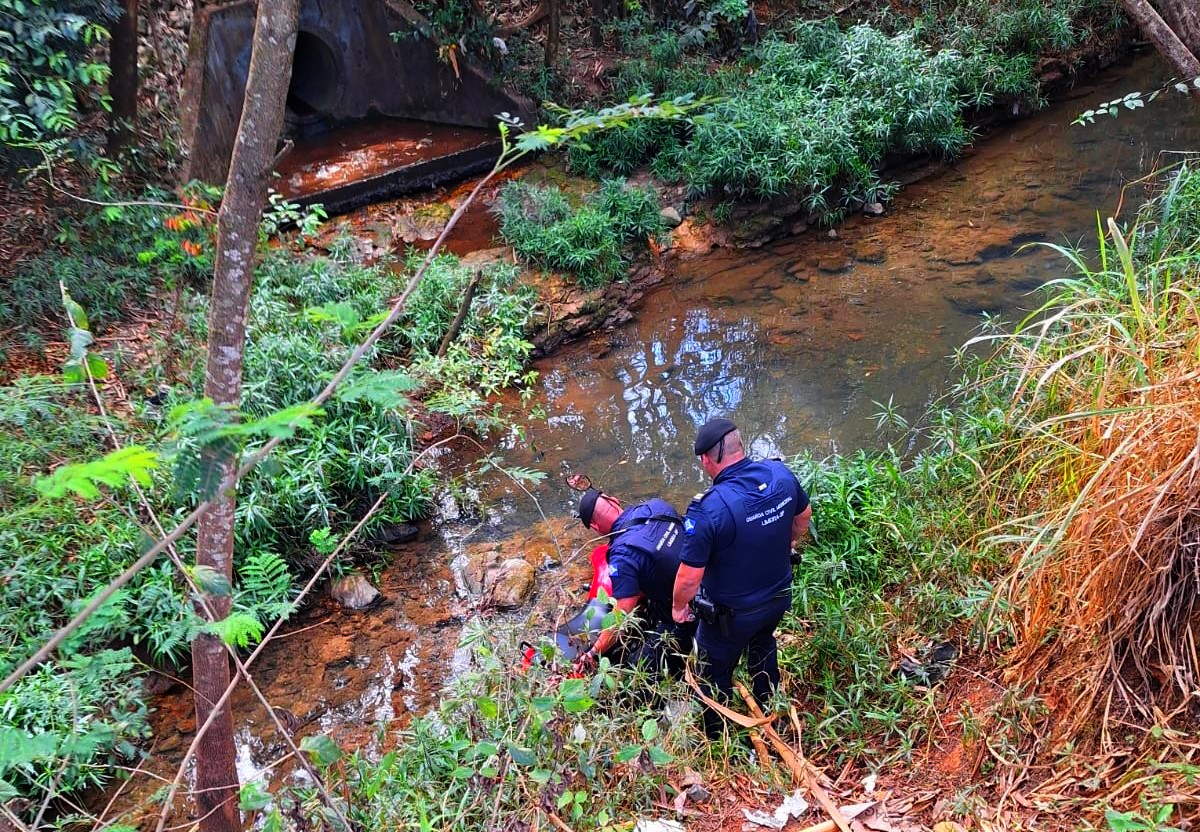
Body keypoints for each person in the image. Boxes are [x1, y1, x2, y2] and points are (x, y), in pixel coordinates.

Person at [671, 417, 811, 738]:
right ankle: (770, 710)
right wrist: (785, 541)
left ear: (707, 460)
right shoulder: (780, 475)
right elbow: (803, 517)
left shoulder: (709, 509)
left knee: (712, 673)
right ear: (740, 446)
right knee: (763, 645)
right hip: (777, 598)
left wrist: (679, 608)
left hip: (730, 617)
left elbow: (689, 578)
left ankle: (717, 737)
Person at [573, 487, 697, 678]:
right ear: (614, 501)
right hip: (711, 579)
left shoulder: (622, 554)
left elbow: (621, 618)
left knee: (634, 671)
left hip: (690, 614)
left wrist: (593, 652)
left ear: (596, 528)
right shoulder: (656, 505)